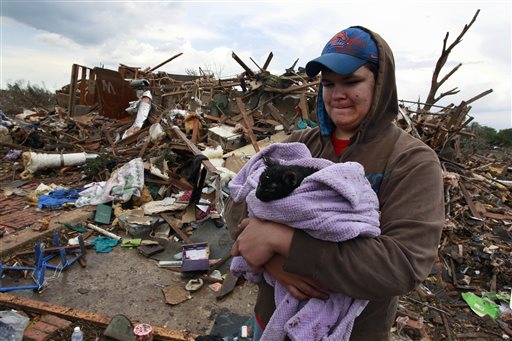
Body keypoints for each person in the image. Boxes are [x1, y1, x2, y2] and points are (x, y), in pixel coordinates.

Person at [226, 26, 445, 340]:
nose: (337, 94)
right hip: (272, 319)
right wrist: (271, 261)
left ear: (381, 85)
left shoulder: (410, 160)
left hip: (353, 331)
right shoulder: (300, 145)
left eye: (352, 81)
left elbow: (401, 265)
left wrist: (281, 242)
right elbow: (237, 200)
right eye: (328, 84)